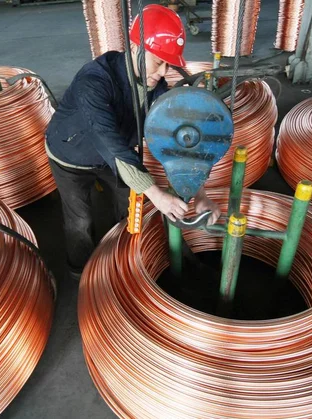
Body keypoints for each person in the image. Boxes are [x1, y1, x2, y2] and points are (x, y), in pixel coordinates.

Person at [45, 4, 221, 281]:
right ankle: (81, 275)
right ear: (135, 48)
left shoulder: (156, 88)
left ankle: (123, 262)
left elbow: (174, 142)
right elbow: (110, 143)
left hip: (114, 156)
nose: (163, 72)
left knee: (129, 205)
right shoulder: (95, 81)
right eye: (158, 61)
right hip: (71, 154)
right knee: (80, 219)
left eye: (168, 64)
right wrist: (157, 194)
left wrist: (200, 195)